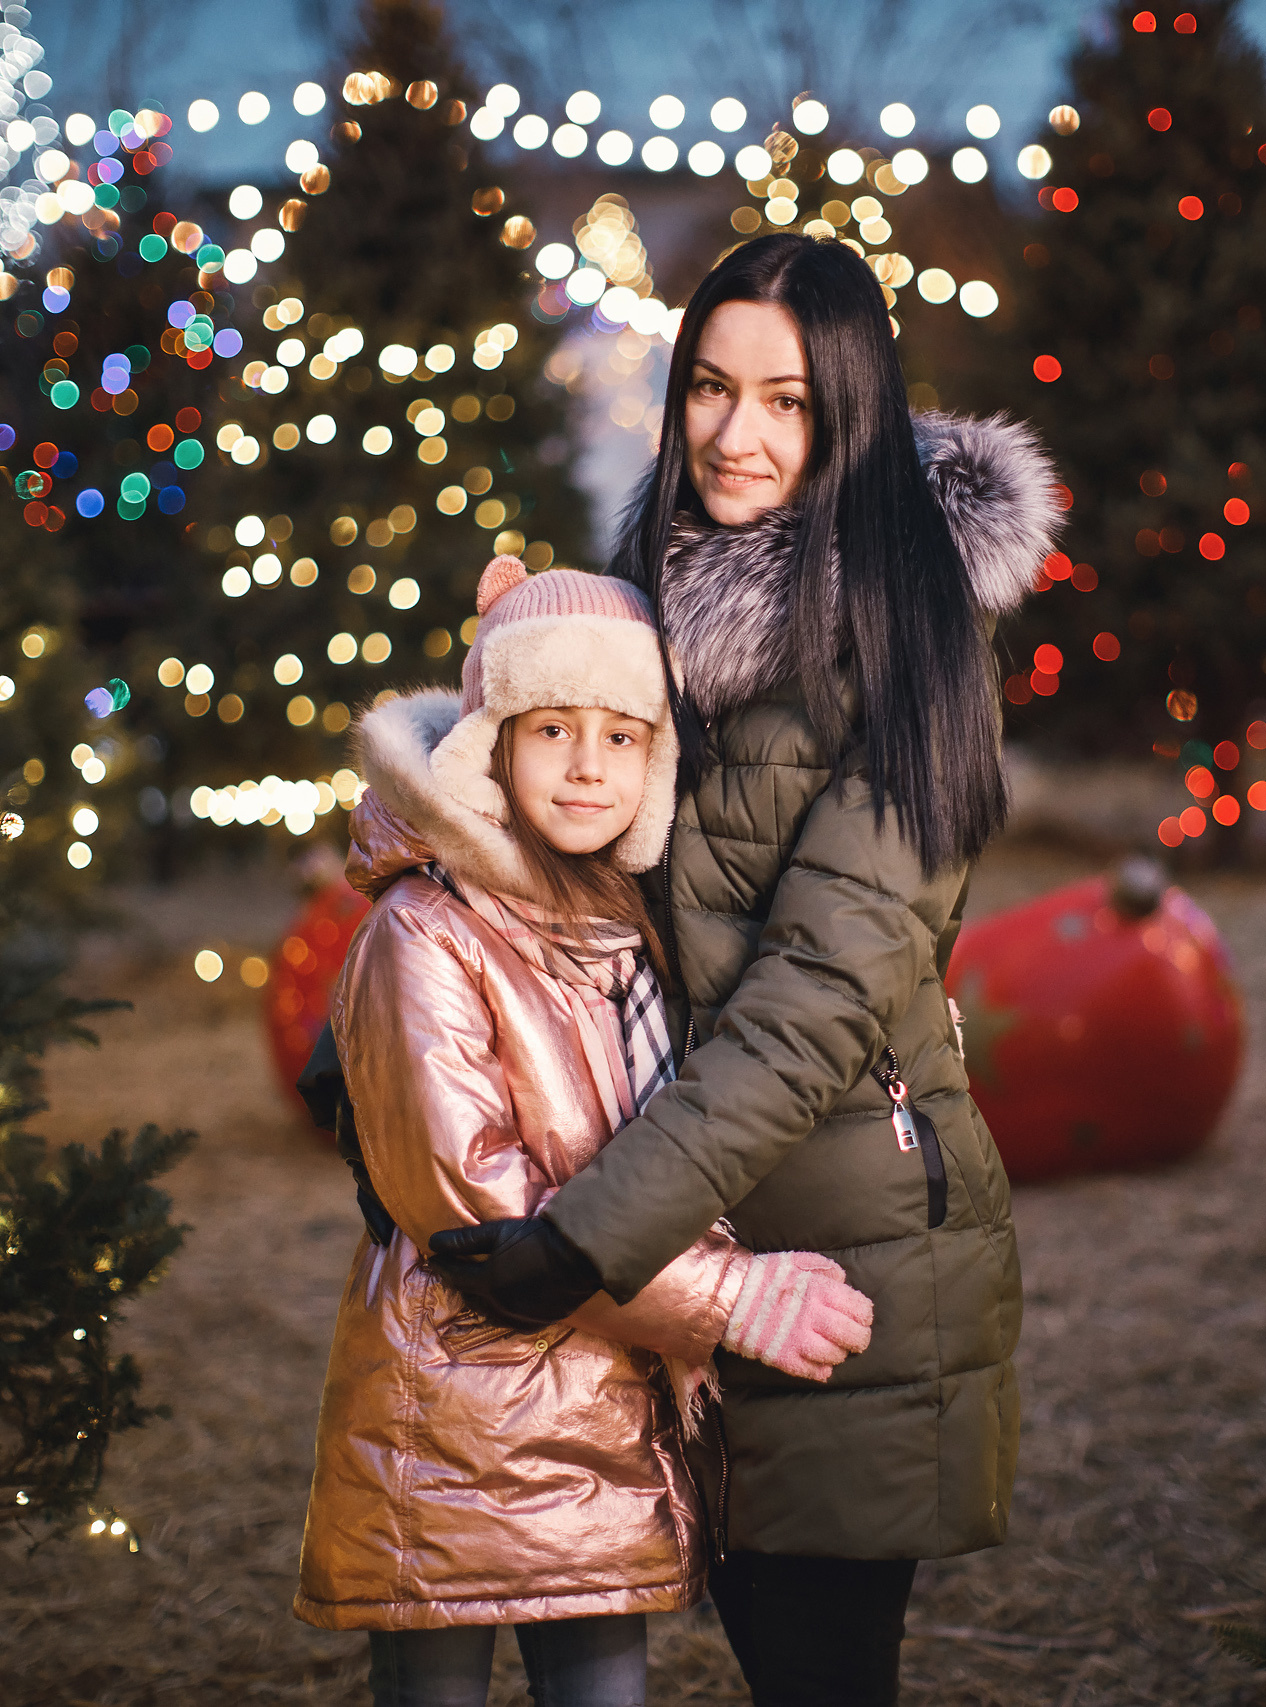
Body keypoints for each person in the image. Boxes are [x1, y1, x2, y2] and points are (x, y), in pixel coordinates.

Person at [429, 233, 1056, 1704]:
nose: (737, 432)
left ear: (846, 414)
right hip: (689, 1249)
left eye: (786, 399)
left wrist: (586, 1240)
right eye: (711, 387)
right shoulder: (650, 606)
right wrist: (411, 1013)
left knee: (820, 1672)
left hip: (847, 1250)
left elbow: (812, 1007)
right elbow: (552, 842)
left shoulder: (915, 644)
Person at [293, 557, 878, 1707]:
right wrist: (730, 1301)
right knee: (435, 1678)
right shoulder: (425, 931)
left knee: (601, 1682)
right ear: (489, 742)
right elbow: (476, 1204)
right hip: (456, 1413)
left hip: (609, 1413)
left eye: (620, 735)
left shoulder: (633, 921)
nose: (585, 765)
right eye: (552, 726)